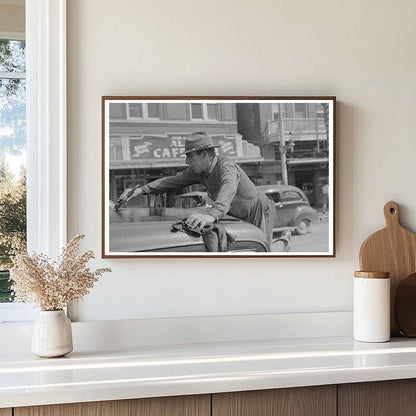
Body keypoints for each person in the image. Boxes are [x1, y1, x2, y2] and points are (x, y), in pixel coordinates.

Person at [116, 131, 276, 249]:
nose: (187, 161)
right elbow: (171, 181)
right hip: (238, 214)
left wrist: (212, 215)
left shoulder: (226, 166)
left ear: (205, 155)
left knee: (261, 255)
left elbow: (229, 186)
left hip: (260, 212)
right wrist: (139, 190)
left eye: (190, 157)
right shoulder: (198, 172)